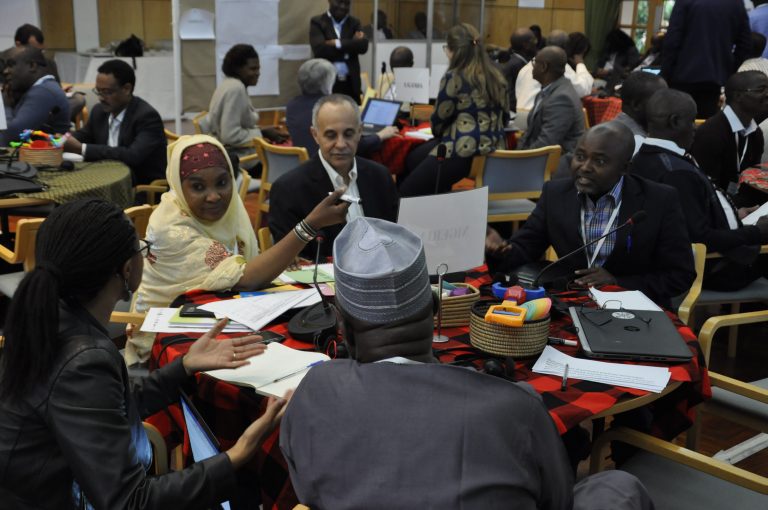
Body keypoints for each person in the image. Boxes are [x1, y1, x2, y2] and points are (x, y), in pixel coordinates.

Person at [280, 216, 656, 510]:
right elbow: (557, 501)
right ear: (434, 309)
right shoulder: (514, 407)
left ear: (342, 327)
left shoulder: (313, 392)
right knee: (617, 487)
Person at [0, 199, 290, 509]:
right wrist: (238, 454)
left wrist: (184, 366)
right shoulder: (82, 360)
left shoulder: (45, 319)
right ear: (127, 269)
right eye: (141, 248)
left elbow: (103, 411)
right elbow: (129, 501)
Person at [129, 134, 350, 364]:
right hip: (166, 340)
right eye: (197, 187)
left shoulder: (231, 209)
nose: (214, 196)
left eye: (222, 183)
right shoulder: (171, 226)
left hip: (223, 314)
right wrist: (309, 226)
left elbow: (242, 267)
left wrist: (279, 260)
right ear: (178, 185)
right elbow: (246, 278)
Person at [487, 122, 695, 309]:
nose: (584, 167)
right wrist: (501, 251)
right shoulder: (556, 194)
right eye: (580, 157)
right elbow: (525, 249)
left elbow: (680, 275)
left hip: (636, 309)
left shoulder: (659, 200)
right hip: (570, 306)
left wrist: (618, 283)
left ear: (625, 168)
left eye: (600, 161)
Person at [632, 88, 768, 291]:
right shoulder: (677, 173)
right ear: (675, 121)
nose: (696, 127)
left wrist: (734, 214)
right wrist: (756, 232)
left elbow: (687, 219)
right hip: (709, 270)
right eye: (691, 120)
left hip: (671, 259)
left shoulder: (644, 157)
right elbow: (701, 240)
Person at [269, 94, 398, 259]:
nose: (341, 144)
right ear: (315, 135)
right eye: (331, 135)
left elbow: (394, 237)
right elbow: (291, 260)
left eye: (349, 134)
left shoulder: (381, 177)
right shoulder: (288, 190)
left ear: (360, 132)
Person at [399, 23, 508, 197]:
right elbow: (505, 118)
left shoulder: (455, 76)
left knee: (406, 193)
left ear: (452, 51)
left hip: (462, 150)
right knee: (413, 159)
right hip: (494, 150)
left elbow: (439, 121)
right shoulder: (497, 75)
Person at [63, 59, 166, 185]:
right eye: (98, 91)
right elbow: (84, 135)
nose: (100, 98)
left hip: (141, 188)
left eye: (106, 92)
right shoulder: (99, 111)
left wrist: (82, 149)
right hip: (105, 179)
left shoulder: (146, 117)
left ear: (127, 89)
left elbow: (132, 156)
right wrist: (62, 139)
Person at [285, 59, 399, 158]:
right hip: (332, 167)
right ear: (327, 82)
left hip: (304, 167)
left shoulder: (291, 106)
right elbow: (354, 146)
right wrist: (380, 135)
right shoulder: (329, 108)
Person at [690, 70, 768, 207]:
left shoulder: (755, 134)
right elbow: (706, 189)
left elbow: (753, 180)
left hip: (742, 203)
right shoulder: (710, 133)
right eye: (761, 89)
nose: (767, 94)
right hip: (715, 207)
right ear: (738, 96)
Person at [662, 0, 751, 119]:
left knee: (675, 122)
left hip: (681, 74)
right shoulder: (736, 3)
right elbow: (745, 44)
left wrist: (665, 74)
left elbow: (672, 40)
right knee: (704, 124)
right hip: (714, 78)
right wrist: (729, 71)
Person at [206, 44, 287, 169]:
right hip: (238, 159)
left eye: (258, 69)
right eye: (253, 69)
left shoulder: (229, 84)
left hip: (229, 153)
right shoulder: (236, 89)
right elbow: (230, 136)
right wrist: (261, 132)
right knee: (286, 163)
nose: (258, 73)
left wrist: (263, 130)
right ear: (238, 69)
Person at [518, 46, 585, 178]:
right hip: (543, 159)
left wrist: (518, 161)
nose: (531, 66)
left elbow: (546, 143)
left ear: (544, 67)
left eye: (534, 62)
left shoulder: (561, 97)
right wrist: (517, 154)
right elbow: (529, 132)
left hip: (557, 166)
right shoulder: (547, 90)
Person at [515, 30, 594, 123]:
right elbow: (583, 89)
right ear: (566, 48)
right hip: (538, 119)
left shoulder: (526, 68)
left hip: (519, 117)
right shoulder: (559, 66)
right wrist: (580, 63)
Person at [0, 46, 69, 146]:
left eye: (11, 65)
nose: (5, 71)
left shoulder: (44, 92)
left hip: (45, 159)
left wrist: (5, 105)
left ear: (32, 66)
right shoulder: (39, 88)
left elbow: (10, 136)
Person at [309, 0, 369, 103]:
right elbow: (320, 50)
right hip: (327, 82)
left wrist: (337, 43)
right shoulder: (317, 22)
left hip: (351, 84)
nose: (342, 7)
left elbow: (363, 47)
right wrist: (352, 43)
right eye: (339, 2)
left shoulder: (355, 22)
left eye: (347, 4)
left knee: (352, 117)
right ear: (329, 1)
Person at [613, 70, 668, 153]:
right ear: (636, 105)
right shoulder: (639, 144)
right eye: (659, 101)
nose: (665, 106)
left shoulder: (615, 124)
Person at [500, 27, 537, 110]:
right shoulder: (517, 65)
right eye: (534, 40)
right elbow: (511, 96)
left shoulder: (517, 61)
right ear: (526, 45)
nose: (536, 43)